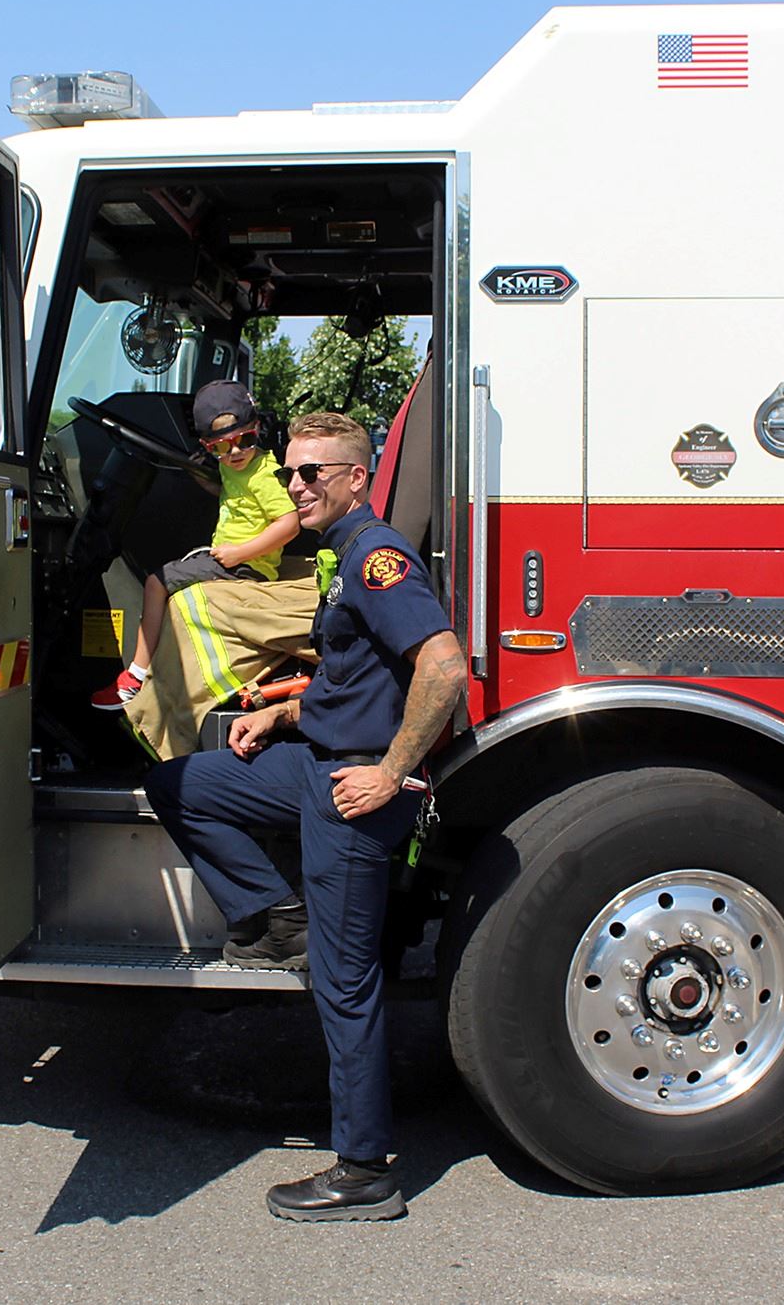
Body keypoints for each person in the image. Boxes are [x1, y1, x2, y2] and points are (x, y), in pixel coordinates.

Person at [145, 411, 467, 1222]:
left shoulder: (378, 557)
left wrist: (390, 773)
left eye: (315, 473)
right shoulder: (335, 555)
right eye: (291, 473)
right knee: (182, 785)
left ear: (358, 478)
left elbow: (443, 662)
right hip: (309, 758)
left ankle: (363, 1171)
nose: (297, 486)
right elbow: (357, 674)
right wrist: (282, 715)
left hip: (349, 789)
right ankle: (270, 912)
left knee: (343, 982)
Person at [92, 381, 299, 710]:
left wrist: (239, 554)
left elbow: (289, 523)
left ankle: (134, 677)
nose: (233, 452)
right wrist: (200, 477)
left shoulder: (265, 473)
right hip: (233, 560)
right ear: (207, 445)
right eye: (221, 447)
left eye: (243, 440)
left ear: (256, 430)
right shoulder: (235, 468)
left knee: (155, 582)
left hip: (245, 567)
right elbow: (233, 498)